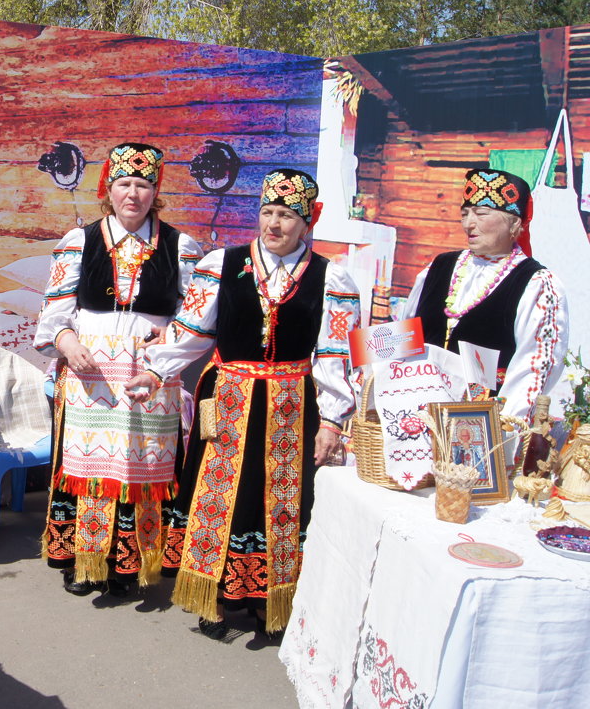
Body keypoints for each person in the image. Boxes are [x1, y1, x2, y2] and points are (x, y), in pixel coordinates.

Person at [127, 168, 360, 640]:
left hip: (291, 405)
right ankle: (211, 594)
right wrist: (156, 371)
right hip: (229, 396)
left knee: (278, 500)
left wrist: (333, 421)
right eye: (267, 212)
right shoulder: (224, 262)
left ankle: (267, 601)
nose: (273, 224)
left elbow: (335, 356)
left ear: (307, 221)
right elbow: (193, 331)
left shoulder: (330, 277)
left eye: (286, 216)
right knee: (217, 495)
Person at [34, 142, 202, 597]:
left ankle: (130, 565)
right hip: (90, 375)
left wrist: (165, 353)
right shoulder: (80, 241)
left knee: (143, 464)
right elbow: (55, 308)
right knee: (89, 466)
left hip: (151, 372)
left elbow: (194, 316)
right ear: (109, 188)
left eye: (144, 184)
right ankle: (83, 560)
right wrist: (67, 342)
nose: (134, 194)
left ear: (156, 191)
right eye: (125, 183)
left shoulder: (180, 247)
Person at [404, 169, 568, 421]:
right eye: (464, 214)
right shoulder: (438, 268)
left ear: (514, 222)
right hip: (413, 416)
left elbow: (532, 370)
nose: (469, 223)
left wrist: (502, 432)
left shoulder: (536, 284)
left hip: (480, 427)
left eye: (481, 214)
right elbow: (404, 335)